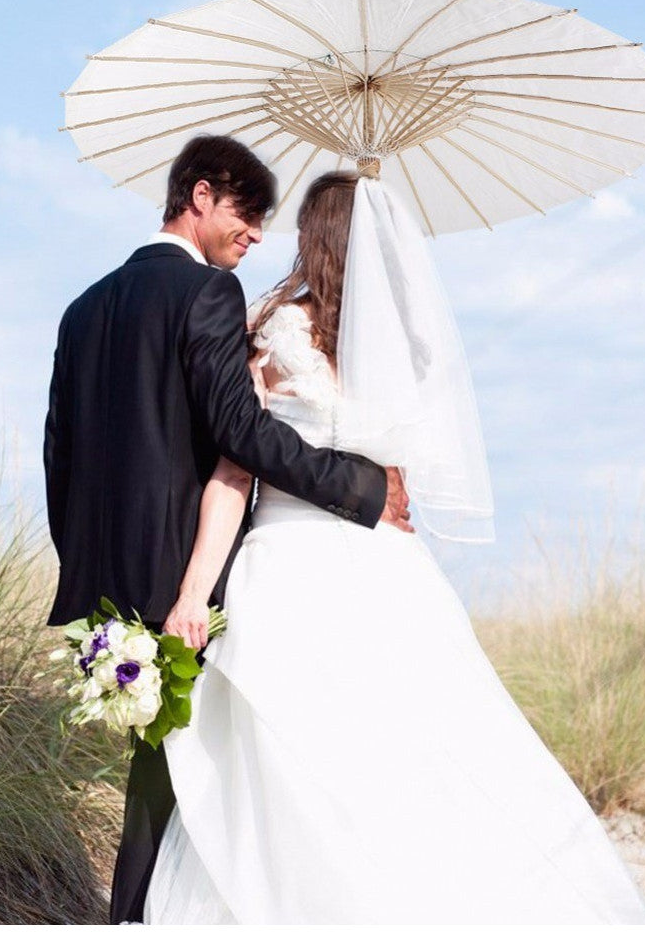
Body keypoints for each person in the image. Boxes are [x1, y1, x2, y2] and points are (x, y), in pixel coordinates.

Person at [142, 170, 645, 924]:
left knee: (295, 761)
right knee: (420, 751)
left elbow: (233, 468)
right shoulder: (408, 353)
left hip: (291, 565)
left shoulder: (274, 332)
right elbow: (397, 484)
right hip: (388, 564)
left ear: (313, 236)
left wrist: (190, 595)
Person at [43, 137, 411, 925]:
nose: (254, 236)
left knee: (158, 776)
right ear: (200, 195)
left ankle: (135, 921)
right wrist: (360, 484)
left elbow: (59, 458)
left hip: (109, 588)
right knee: (193, 775)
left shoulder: (83, 309)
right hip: (191, 578)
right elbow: (240, 433)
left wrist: (90, 574)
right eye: (247, 217)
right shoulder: (206, 294)